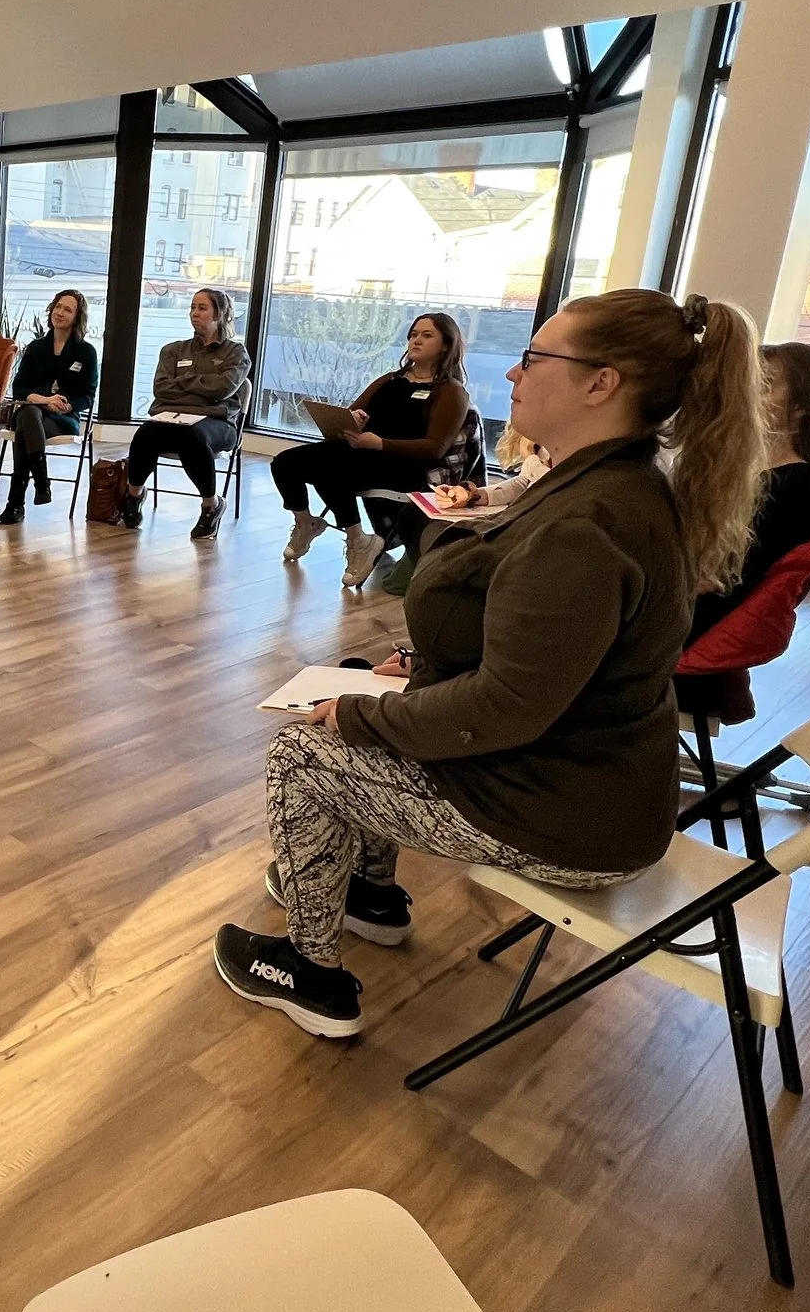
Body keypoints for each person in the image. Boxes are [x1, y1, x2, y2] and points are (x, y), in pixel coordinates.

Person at [214, 288, 766, 1037]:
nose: (514, 373)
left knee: (304, 752)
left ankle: (310, 973)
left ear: (601, 383)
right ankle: (370, 896)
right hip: (580, 784)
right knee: (358, 693)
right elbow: (546, 646)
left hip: (560, 812)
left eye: (537, 357)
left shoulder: (589, 522)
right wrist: (415, 660)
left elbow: (503, 707)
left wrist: (364, 713)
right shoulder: (612, 485)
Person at [274, 313, 472, 587]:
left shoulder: (450, 392)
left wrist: (379, 443)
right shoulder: (390, 380)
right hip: (363, 454)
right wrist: (355, 419)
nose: (416, 340)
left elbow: (435, 447)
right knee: (284, 462)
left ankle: (358, 539)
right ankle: (306, 521)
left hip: (405, 465)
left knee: (331, 468)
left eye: (427, 335)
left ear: (446, 345)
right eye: (414, 334)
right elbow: (353, 412)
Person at [687, 340, 810, 644]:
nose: (748, 394)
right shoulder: (764, 472)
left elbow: (721, 580)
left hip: (694, 623)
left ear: (800, 406)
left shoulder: (795, 485)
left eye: (765, 385)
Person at [114, 287, 251, 540]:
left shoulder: (235, 353)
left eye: (202, 308)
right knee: (146, 433)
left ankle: (211, 505)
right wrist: (202, 391)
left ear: (218, 314)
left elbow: (223, 389)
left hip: (218, 424)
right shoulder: (173, 350)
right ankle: (134, 495)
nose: (194, 313)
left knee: (192, 436)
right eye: (192, 307)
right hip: (171, 420)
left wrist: (185, 382)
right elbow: (162, 389)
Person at [0, 289, 97, 525]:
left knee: (25, 427)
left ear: (77, 317)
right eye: (58, 307)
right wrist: (45, 400)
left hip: (62, 420)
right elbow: (19, 388)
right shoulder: (36, 348)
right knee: (29, 415)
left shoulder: (86, 352)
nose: (60, 313)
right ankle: (41, 481)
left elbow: (88, 396)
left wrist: (66, 405)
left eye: (67, 309)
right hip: (33, 411)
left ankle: (16, 501)